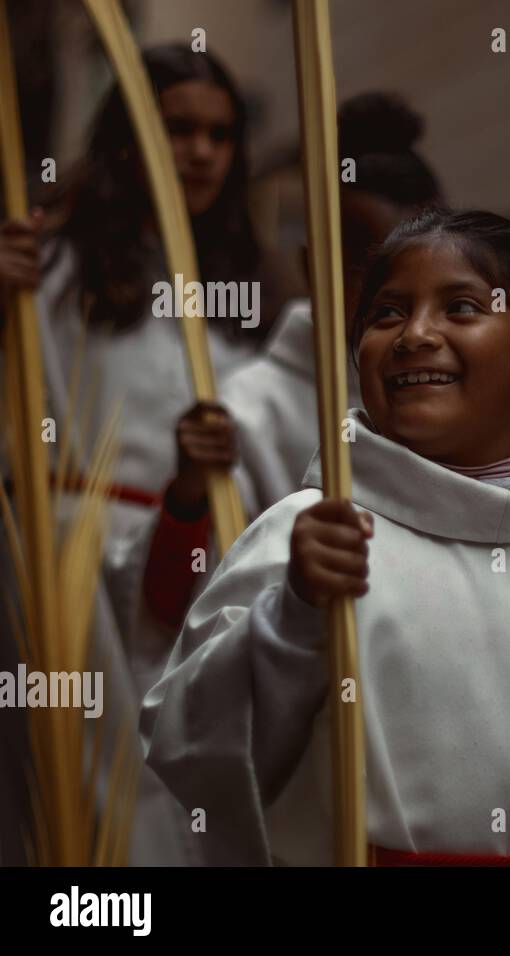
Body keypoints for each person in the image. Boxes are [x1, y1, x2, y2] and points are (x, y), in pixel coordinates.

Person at [140, 209, 510, 866]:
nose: (415, 335)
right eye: (387, 314)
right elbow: (189, 747)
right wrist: (292, 619)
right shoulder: (311, 532)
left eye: (460, 307)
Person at [0, 45, 273, 865]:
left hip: (201, 558)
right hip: (69, 561)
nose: (200, 151)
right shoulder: (51, 261)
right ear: (128, 139)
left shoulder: (239, 285)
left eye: (220, 135)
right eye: (176, 128)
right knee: (87, 800)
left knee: (191, 783)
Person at [129, 92, 445, 649]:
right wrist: (189, 496)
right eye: (367, 263)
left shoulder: (463, 396)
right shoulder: (248, 411)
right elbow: (177, 614)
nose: (394, 293)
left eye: (420, 266)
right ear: (311, 263)